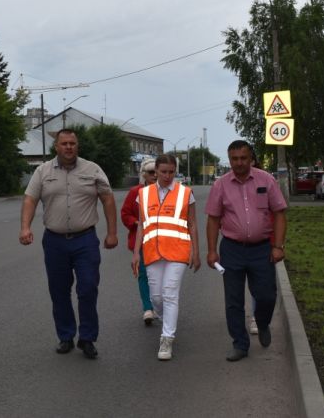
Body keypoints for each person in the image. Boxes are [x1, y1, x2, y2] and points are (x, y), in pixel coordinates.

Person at [19, 128, 119, 359]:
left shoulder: (92, 169)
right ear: (56, 146)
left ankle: (87, 338)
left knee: (88, 287)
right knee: (59, 290)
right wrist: (25, 228)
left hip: (85, 239)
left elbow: (107, 198)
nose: (68, 147)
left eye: (72, 143)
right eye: (64, 143)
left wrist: (112, 233)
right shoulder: (42, 171)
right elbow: (30, 199)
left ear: (77, 146)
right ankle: (65, 336)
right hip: (54, 241)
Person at [205, 140, 287, 362]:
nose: (239, 163)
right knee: (233, 300)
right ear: (229, 159)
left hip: (262, 249)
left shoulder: (266, 180)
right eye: (234, 159)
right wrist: (212, 251)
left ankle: (262, 322)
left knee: (266, 295)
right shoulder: (220, 185)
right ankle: (240, 344)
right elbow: (213, 219)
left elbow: (279, 213)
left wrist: (278, 246)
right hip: (232, 249)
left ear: (251, 158)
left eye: (243, 158)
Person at [132, 154, 200, 360]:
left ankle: (167, 339)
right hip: (152, 252)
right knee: (156, 298)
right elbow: (142, 226)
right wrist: (136, 252)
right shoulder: (143, 195)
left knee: (170, 293)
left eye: (171, 172)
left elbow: (193, 224)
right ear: (156, 171)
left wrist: (195, 251)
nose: (167, 176)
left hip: (178, 251)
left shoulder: (185, 193)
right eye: (163, 172)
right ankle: (165, 319)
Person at [121, 159, 157, 326]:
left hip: (162, 240)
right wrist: (136, 223)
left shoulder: (166, 192)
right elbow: (125, 213)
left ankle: (159, 305)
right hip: (141, 240)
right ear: (144, 174)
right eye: (151, 173)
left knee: (159, 275)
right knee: (143, 273)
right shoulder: (136, 192)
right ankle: (147, 308)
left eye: (157, 171)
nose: (155, 175)